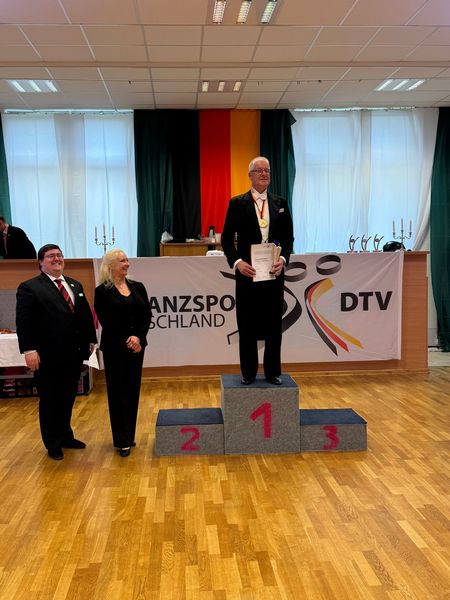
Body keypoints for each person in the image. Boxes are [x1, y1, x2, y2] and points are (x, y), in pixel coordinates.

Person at [16, 244, 97, 460]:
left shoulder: (74, 284)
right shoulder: (29, 287)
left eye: (59, 255)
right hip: (47, 356)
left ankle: (66, 436)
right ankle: (52, 442)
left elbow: (84, 315)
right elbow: (23, 322)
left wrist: (90, 340)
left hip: (73, 354)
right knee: (50, 400)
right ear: (40, 262)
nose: (57, 259)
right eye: (51, 256)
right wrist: (29, 349)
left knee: (68, 397)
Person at [221, 156, 294, 385]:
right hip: (248, 274)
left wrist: (283, 259)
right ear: (250, 175)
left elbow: (288, 239)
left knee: (273, 324)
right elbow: (226, 239)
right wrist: (237, 262)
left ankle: (273, 372)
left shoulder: (281, 202)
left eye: (267, 170)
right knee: (247, 323)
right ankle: (248, 372)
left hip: (273, 273)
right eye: (259, 170)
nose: (264, 174)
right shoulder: (237, 203)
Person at [94, 249, 151, 458]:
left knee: (132, 391)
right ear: (110, 266)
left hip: (137, 347)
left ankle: (130, 435)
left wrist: (138, 338)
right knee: (118, 393)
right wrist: (129, 339)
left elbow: (147, 315)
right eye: (122, 261)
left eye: (127, 260)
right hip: (115, 349)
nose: (127, 263)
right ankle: (122, 440)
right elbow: (107, 321)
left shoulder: (138, 287)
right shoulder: (102, 291)